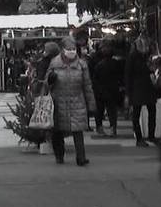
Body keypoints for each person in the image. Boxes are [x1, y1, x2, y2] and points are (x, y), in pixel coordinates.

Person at [46, 36, 96, 166]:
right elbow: (46, 83)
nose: (71, 51)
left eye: (73, 49)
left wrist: (91, 105)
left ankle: (81, 157)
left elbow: (87, 85)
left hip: (77, 101)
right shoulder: (54, 63)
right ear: (62, 50)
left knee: (78, 131)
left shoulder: (81, 64)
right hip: (59, 101)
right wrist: (50, 79)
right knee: (57, 130)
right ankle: (59, 155)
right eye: (69, 49)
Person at [125, 33, 160, 147]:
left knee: (150, 111)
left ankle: (150, 136)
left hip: (145, 86)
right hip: (138, 87)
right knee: (137, 113)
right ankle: (140, 138)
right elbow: (129, 74)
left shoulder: (146, 55)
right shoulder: (134, 56)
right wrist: (128, 92)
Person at [90, 42, 122, 137]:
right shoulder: (116, 64)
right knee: (112, 111)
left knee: (99, 110)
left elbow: (95, 78)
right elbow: (119, 76)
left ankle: (99, 127)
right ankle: (113, 127)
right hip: (112, 90)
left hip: (100, 91)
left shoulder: (98, 65)